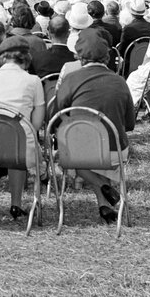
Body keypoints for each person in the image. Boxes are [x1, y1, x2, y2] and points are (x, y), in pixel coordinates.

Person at [55, 29, 136, 224]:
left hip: (80, 150)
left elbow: (57, 114)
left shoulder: (71, 79)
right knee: (100, 154)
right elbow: (130, 124)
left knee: (70, 154)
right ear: (107, 57)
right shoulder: (120, 81)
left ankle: (102, 188)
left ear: (80, 58)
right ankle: (105, 207)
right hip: (115, 150)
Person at [0, 36, 45, 221]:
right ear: (26, 57)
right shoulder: (33, 80)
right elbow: (37, 123)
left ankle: (16, 204)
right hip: (21, 146)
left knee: (17, 140)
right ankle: (16, 204)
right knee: (22, 140)